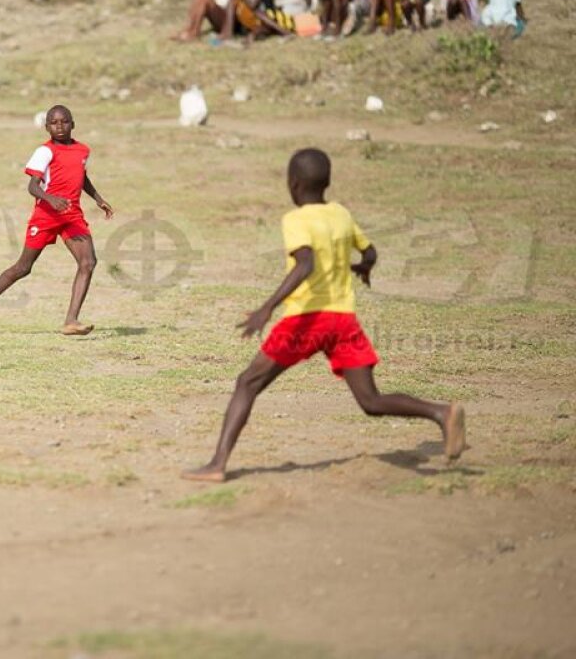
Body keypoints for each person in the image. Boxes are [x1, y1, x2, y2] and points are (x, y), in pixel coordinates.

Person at [181, 148, 467, 483]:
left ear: (294, 183)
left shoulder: (296, 220)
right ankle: (441, 413)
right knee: (371, 401)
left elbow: (305, 264)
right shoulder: (341, 214)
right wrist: (363, 268)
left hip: (307, 319)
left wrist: (267, 307)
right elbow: (371, 251)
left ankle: (217, 464)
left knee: (247, 382)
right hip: (343, 319)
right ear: (327, 182)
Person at [0, 105, 114, 336]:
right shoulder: (44, 152)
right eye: (54, 123)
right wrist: (51, 199)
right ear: (46, 127)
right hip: (46, 215)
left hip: (72, 215)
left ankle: (71, 320)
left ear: (73, 124)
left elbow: (81, 176)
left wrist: (98, 198)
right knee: (23, 267)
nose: (59, 126)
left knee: (88, 263)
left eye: (64, 122)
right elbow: (33, 186)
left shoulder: (83, 150)